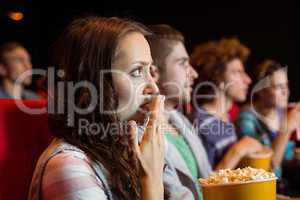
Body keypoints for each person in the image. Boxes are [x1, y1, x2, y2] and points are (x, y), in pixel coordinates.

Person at [29, 16, 194, 200]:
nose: (153, 87)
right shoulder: (68, 167)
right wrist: (151, 179)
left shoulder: (131, 143)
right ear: (93, 84)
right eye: (137, 71)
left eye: (150, 71)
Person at [148, 24, 212, 200]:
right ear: (154, 72)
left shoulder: (181, 121)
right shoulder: (141, 135)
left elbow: (210, 183)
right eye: (183, 63)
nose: (194, 73)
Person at [190, 38, 263, 170]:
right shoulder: (201, 124)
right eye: (238, 73)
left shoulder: (225, 117)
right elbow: (203, 186)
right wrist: (238, 150)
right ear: (218, 78)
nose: (248, 79)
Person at [236, 59, 300, 176]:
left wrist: (294, 158)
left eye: (286, 85)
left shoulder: (281, 112)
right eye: (278, 86)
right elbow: (268, 169)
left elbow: (286, 156)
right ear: (260, 91)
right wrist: (287, 127)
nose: (285, 91)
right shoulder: (246, 119)